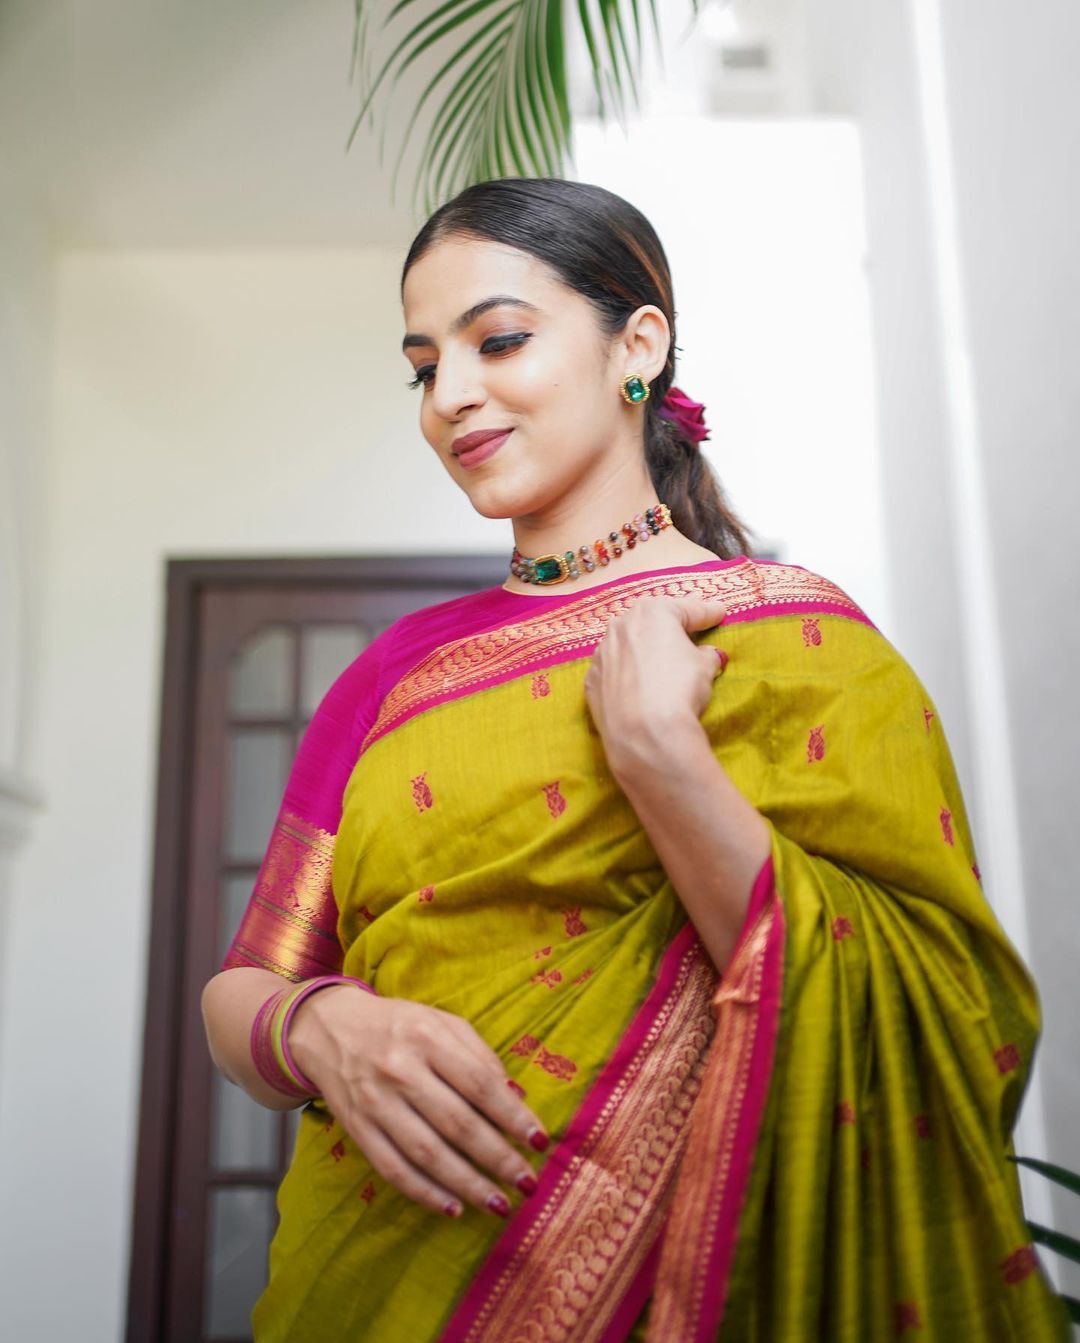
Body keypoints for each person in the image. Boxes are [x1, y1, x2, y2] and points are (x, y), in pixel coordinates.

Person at [201, 177, 1068, 1342]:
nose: (450, 397)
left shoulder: (798, 643)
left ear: (639, 346)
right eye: (422, 367)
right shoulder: (393, 676)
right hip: (379, 1286)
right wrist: (321, 1028)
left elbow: (938, 1006)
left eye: (498, 340)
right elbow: (243, 987)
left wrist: (662, 757)